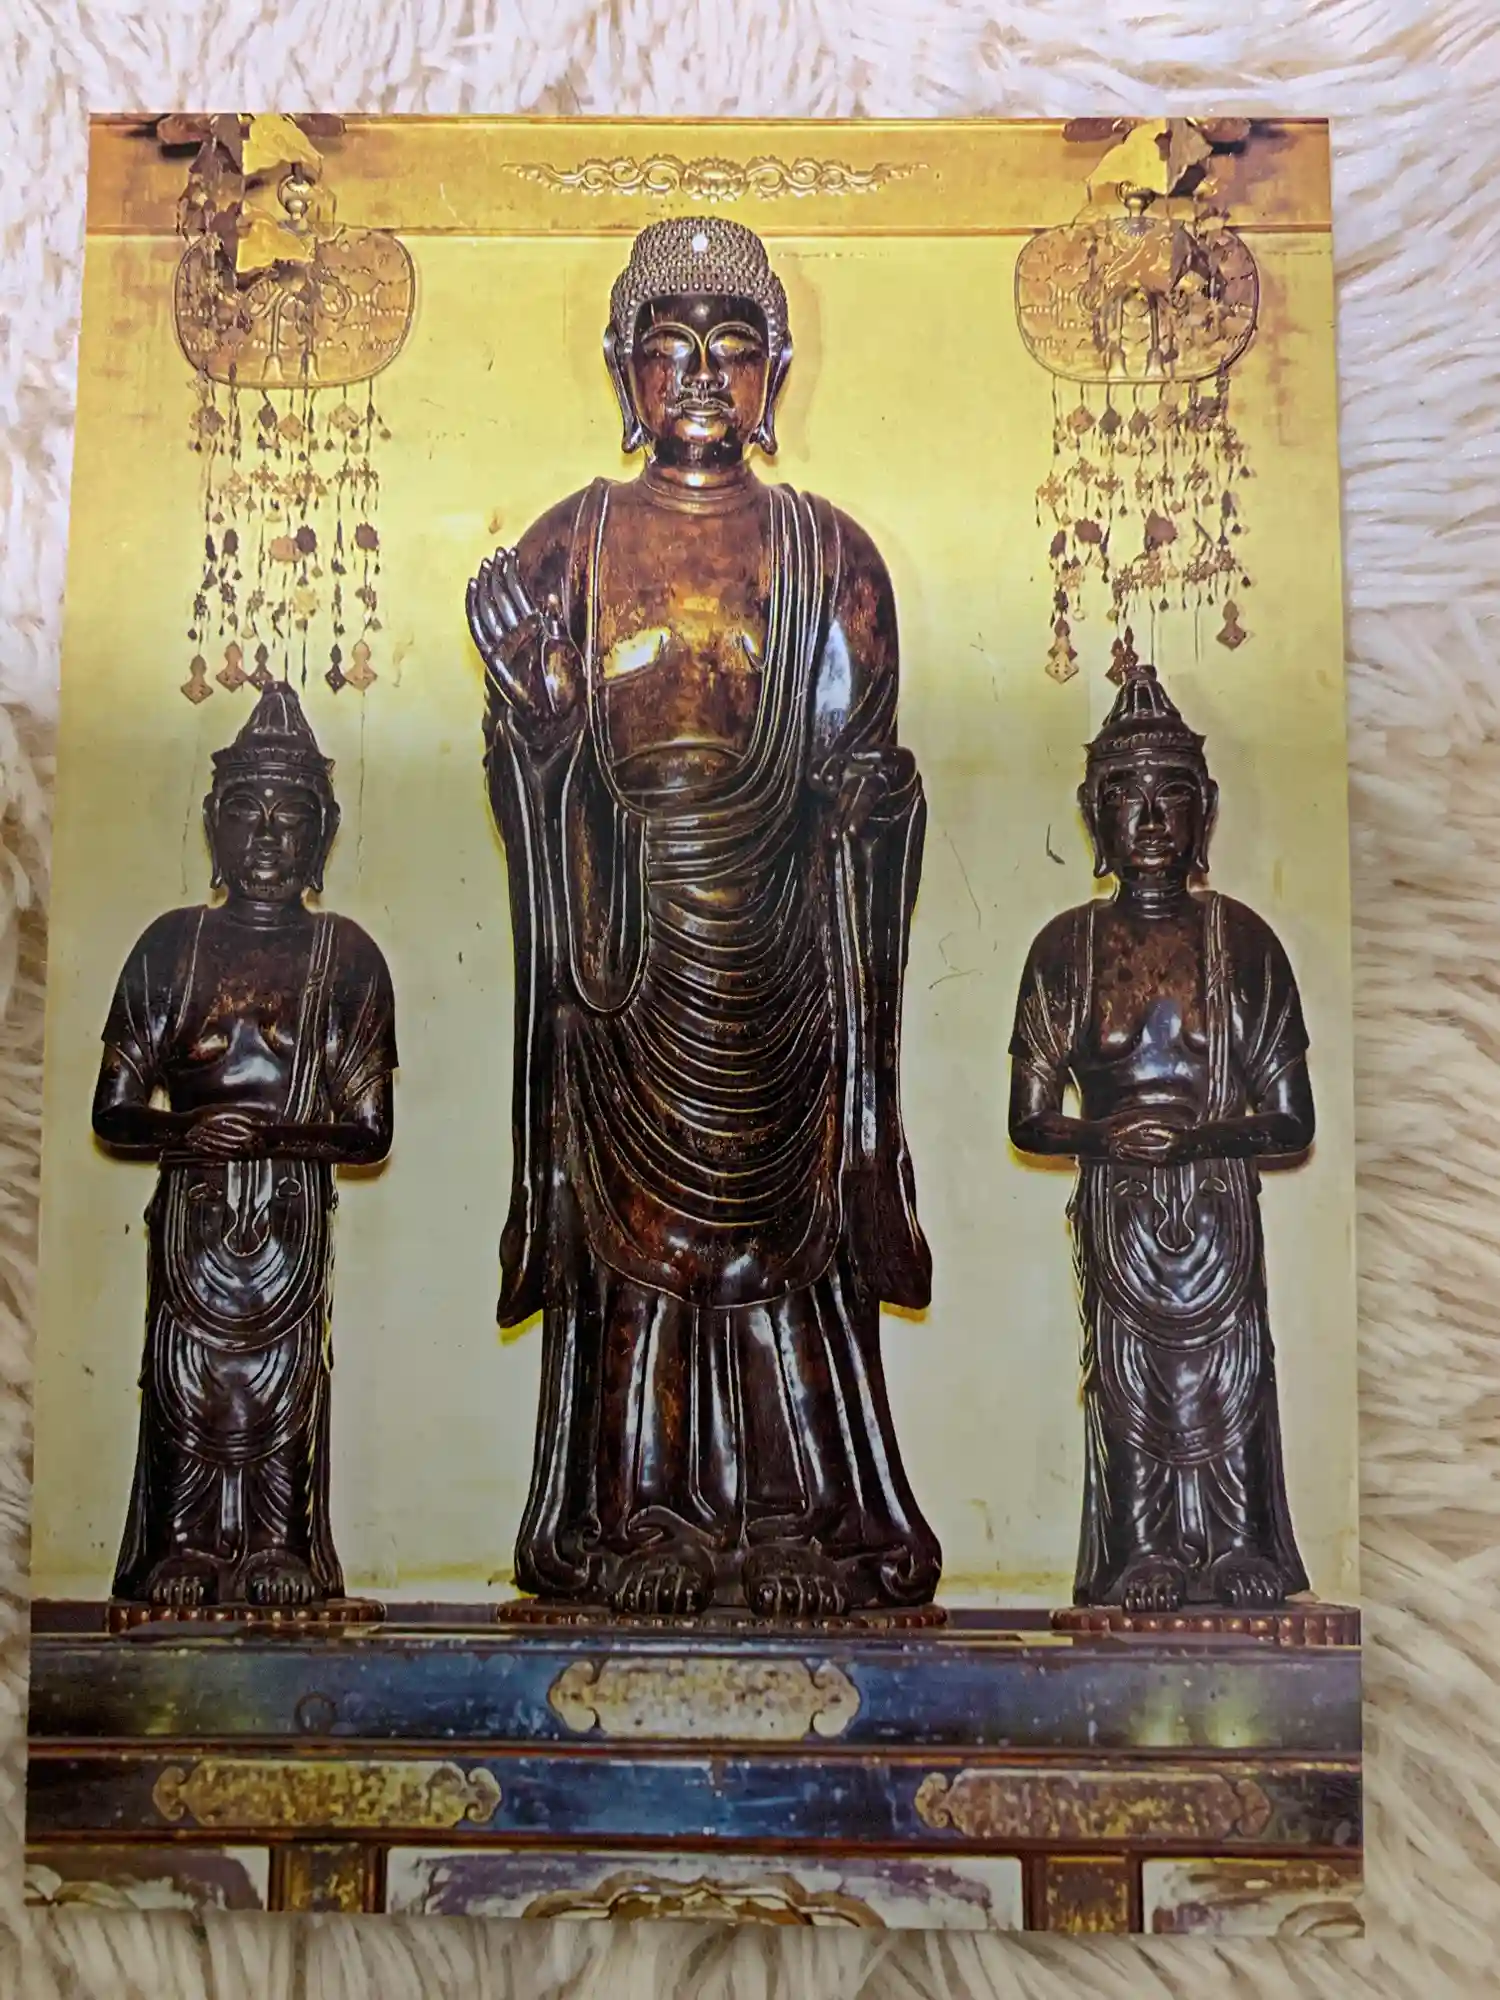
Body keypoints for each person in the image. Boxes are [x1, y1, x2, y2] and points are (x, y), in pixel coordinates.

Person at [467, 215, 939, 1617]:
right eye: (668, 348)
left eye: (730, 349)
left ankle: (799, 1517)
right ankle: (639, 1513)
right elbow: (536, 764)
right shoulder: (569, 544)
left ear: (772, 374)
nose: (696, 378)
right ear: (624, 366)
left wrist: (863, 811)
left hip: (786, 939)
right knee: (636, 1245)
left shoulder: (830, 553)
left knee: (788, 1237)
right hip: (624, 940)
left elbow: (865, 780)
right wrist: (543, 735)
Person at [1008, 638, 1313, 1613]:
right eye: (1127, 797)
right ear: (1094, 812)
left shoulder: (1244, 941)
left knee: (1231, 1371)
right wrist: (1106, 1140)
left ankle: (1238, 1538)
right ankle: (1140, 1544)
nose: (1148, 819)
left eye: (1170, 797)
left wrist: (1203, 1139)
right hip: (1120, 1204)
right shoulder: (1066, 948)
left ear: (1203, 811)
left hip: (1217, 1202)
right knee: (1129, 1380)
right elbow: (1030, 1118)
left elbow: (1292, 1120)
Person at [94, 685, 396, 1610]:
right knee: (183, 1380)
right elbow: (114, 1111)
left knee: (287, 1381)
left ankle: (281, 1541)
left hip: (292, 1220)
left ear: (323, 833)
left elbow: (370, 1129)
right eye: (246, 812)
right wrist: (190, 1132)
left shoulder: (348, 958)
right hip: (192, 1217)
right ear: (213, 824)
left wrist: (272, 1136)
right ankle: (181, 1541)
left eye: (290, 815)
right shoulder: (170, 947)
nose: (267, 835)